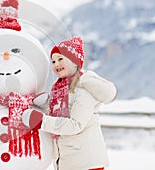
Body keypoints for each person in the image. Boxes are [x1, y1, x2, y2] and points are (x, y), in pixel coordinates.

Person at [22, 36, 117, 170]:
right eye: (53, 61)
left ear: (73, 61)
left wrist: (42, 121)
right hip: (70, 162)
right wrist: (47, 104)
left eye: (60, 59)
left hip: (87, 163)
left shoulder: (84, 90)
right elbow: (62, 113)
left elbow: (75, 124)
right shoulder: (61, 89)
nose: (56, 64)